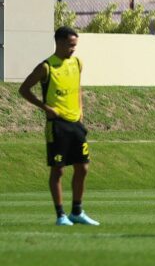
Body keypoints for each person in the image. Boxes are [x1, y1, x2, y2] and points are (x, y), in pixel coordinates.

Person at [18, 26, 100, 227]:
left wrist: (81, 112)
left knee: (83, 168)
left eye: (75, 45)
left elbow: (78, 88)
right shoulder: (47, 67)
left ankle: (77, 212)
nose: (73, 49)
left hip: (76, 124)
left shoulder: (77, 63)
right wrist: (44, 107)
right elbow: (24, 89)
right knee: (58, 170)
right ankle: (60, 215)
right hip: (57, 126)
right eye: (71, 45)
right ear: (60, 43)